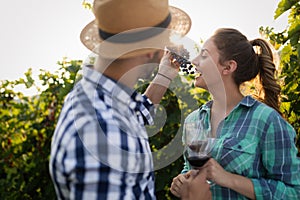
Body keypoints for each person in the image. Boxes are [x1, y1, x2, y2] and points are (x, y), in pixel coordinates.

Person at [49, 0, 211, 199]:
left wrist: (164, 75)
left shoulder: (96, 98)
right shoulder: (104, 132)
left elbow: (138, 114)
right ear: (152, 50)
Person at [170, 28, 300, 199]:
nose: (194, 61)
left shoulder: (266, 120)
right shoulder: (193, 121)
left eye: (204, 55)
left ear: (228, 67)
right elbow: (190, 170)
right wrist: (182, 182)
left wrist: (229, 179)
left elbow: (293, 192)